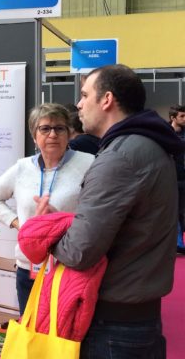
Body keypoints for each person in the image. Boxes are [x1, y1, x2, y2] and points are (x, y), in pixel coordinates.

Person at [37, 64, 185, 358]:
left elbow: (81, 250)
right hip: (134, 314)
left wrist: (46, 230)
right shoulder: (147, 145)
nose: (78, 104)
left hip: (113, 323)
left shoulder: (120, 156)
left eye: (84, 95)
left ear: (106, 100)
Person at [0, 103, 95, 314]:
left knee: (65, 337)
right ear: (35, 137)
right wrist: (21, 225)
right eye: (45, 128)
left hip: (69, 266)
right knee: (31, 331)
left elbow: (97, 212)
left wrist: (61, 220)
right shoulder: (23, 167)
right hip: (29, 267)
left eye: (59, 128)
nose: (53, 134)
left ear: (69, 134)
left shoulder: (88, 164)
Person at [168, 105, 185, 254]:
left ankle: (179, 241)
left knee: (181, 212)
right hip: (169, 179)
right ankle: (177, 241)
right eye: (182, 116)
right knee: (173, 211)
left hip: (183, 178)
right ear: (173, 118)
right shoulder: (165, 134)